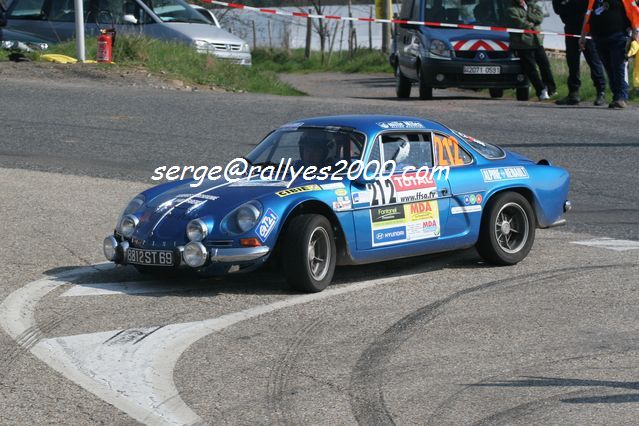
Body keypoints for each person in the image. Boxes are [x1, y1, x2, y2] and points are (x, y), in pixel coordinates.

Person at [580, 0, 639, 108]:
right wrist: (583, 36)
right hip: (599, 38)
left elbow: (635, 12)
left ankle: (621, 97)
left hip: (619, 36)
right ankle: (616, 96)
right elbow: (588, 16)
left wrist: (636, 33)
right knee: (609, 68)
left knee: (619, 67)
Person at [552, 0, 607, 105]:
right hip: (570, 28)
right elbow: (558, 9)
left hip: (586, 28)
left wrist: (569, 5)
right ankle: (573, 93)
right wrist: (572, 7)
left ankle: (601, 92)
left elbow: (587, 7)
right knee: (572, 62)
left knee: (593, 61)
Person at [508, 0, 557, 100]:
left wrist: (529, 18)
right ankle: (541, 90)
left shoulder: (534, 6)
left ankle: (551, 89)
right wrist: (530, 22)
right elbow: (519, 23)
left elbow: (539, 18)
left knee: (545, 65)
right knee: (531, 69)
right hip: (523, 44)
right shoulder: (512, 9)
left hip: (537, 42)